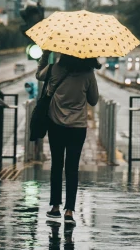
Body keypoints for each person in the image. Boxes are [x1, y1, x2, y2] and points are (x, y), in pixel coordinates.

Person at [37, 50, 100, 226]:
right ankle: (69, 211)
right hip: (77, 127)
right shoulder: (88, 73)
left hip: (55, 124)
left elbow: (38, 75)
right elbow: (93, 100)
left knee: (57, 165)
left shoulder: (55, 69)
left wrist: (45, 55)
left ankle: (55, 207)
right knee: (72, 167)